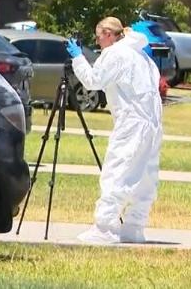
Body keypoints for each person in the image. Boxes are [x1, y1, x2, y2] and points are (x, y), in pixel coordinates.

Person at [66, 17, 163, 244]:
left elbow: (92, 80)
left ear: (109, 34)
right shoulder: (142, 56)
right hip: (153, 122)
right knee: (146, 176)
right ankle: (134, 228)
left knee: (117, 172)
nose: (98, 43)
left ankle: (105, 228)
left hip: (132, 122)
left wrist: (77, 58)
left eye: (98, 37)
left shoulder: (116, 53)